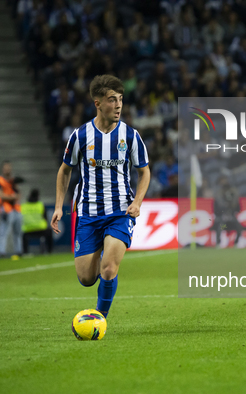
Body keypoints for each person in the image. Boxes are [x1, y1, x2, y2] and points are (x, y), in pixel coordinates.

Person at [51, 74, 150, 319]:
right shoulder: (81, 136)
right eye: (111, 100)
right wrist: (58, 206)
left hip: (120, 212)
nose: (118, 105)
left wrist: (137, 202)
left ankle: (100, 317)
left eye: (120, 100)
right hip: (87, 213)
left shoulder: (130, 136)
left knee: (108, 268)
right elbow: (65, 170)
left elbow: (144, 171)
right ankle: (102, 278)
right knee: (86, 278)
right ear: (97, 103)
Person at [0, 161, 23, 258]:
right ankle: (1, 252)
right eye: (5, 168)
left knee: (18, 231)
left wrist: (15, 195)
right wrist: (13, 197)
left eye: (9, 167)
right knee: (4, 232)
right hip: (6, 209)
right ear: (2, 169)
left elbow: (19, 194)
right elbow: (0, 195)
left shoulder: (13, 181)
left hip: (16, 209)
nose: (7, 169)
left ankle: (19, 251)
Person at [22, 189, 53, 254]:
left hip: (28, 229)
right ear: (38, 196)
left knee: (22, 235)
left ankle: (25, 252)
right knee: (49, 232)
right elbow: (45, 218)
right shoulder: (40, 205)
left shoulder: (24, 206)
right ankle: (49, 251)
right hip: (40, 229)